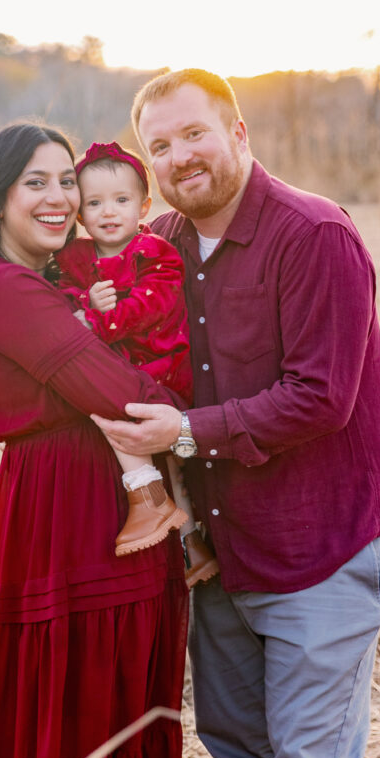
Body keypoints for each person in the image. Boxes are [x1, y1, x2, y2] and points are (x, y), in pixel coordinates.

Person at [92, 69, 380, 758]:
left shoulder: (315, 234)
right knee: (244, 753)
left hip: (318, 542)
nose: (179, 157)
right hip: (220, 551)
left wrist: (187, 433)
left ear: (238, 132)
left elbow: (321, 397)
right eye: (159, 145)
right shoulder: (156, 246)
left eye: (194, 133)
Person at [0, 123, 187, 758]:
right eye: (35, 182)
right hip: (70, 519)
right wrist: (192, 419)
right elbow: (123, 396)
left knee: (111, 715)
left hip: (103, 505)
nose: (58, 198)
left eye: (66, 181)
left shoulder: (51, 278)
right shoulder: (8, 289)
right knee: (75, 723)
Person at [56, 139, 219, 584]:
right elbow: (60, 299)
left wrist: (98, 321)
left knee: (115, 410)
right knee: (171, 468)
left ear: (144, 206)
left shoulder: (157, 255)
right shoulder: (73, 258)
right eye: (94, 203)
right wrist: (83, 303)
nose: (108, 212)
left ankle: (146, 500)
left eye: (121, 200)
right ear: (79, 212)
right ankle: (192, 548)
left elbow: (155, 304)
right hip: (120, 366)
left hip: (158, 370)